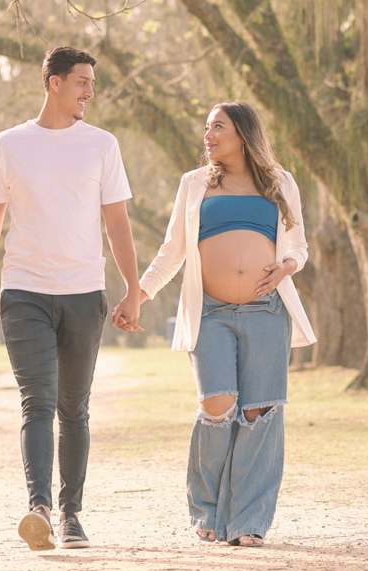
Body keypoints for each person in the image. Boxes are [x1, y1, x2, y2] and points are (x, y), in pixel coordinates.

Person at [0, 46, 141, 552]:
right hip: (23, 293)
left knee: (74, 408)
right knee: (36, 401)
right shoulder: (10, 144)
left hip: (84, 294)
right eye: (82, 81)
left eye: (92, 83)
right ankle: (38, 507)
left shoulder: (102, 145)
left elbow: (117, 222)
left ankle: (71, 514)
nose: (90, 91)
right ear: (54, 83)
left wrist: (131, 288)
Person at [115, 101, 316, 547]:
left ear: (242, 134)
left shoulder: (279, 182)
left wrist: (287, 264)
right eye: (206, 127)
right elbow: (173, 251)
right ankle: (207, 511)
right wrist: (138, 295)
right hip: (210, 312)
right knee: (217, 407)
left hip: (267, 311)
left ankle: (248, 522)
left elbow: (299, 242)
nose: (207, 135)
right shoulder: (194, 185)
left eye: (217, 127)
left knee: (258, 412)